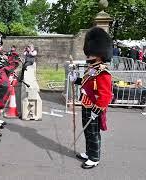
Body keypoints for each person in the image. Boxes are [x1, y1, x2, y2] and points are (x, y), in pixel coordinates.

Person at [70, 27, 113, 169]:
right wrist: (76, 79)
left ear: (99, 54)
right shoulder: (93, 68)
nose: (88, 57)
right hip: (86, 105)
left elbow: (106, 94)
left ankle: (94, 158)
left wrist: (98, 109)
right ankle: (89, 152)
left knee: (93, 133)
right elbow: (86, 83)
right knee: (88, 132)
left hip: (94, 108)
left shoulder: (103, 72)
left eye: (90, 54)